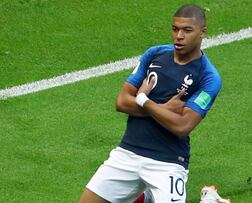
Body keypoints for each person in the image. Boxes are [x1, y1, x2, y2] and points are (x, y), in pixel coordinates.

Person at [78, 3, 222, 203]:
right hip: (127, 152)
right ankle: (145, 197)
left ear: (202, 32)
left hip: (168, 162)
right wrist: (162, 109)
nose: (179, 36)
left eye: (187, 30)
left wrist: (144, 100)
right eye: (175, 29)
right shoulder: (155, 54)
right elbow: (121, 101)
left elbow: (182, 126)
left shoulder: (208, 77)